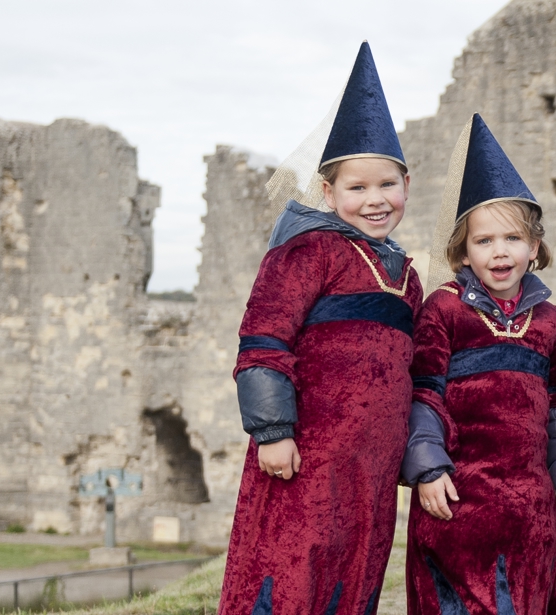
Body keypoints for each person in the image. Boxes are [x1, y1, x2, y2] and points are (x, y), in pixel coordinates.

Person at [220, 42, 423, 615]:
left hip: (370, 468)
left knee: (352, 574)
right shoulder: (307, 252)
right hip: (304, 453)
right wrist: (273, 430)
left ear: (406, 184)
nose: (374, 199)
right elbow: (263, 341)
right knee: (290, 571)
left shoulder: (407, 276)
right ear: (329, 194)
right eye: (357, 189)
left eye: (386, 185)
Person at [403, 114, 556, 615]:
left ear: (534, 247)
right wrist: (427, 469)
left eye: (511, 239)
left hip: (529, 509)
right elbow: (424, 392)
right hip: (457, 498)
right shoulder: (443, 310)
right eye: (484, 241)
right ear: (464, 252)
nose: (499, 252)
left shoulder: (551, 321)